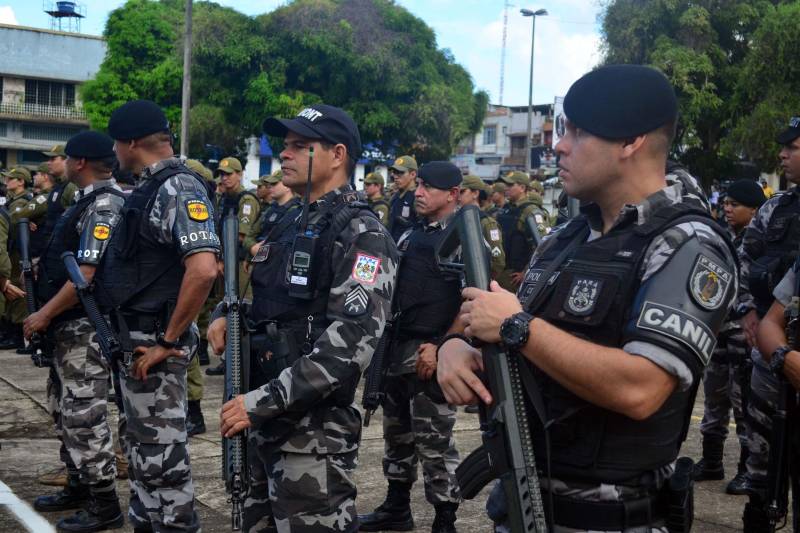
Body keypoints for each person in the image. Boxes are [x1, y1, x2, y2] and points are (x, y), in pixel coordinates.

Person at [437, 64, 737, 531]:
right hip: (522, 504)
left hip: (612, 519)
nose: (559, 145)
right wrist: (457, 348)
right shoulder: (566, 239)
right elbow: (500, 319)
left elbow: (641, 390)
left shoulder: (687, 244)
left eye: (577, 132)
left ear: (630, 141)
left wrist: (517, 327)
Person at [211, 103, 398, 532]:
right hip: (261, 418)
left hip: (311, 437)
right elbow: (264, 295)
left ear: (337, 155)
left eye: (300, 145)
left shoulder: (362, 233)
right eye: (285, 145)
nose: (285, 154)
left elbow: (349, 345)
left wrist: (259, 403)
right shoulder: (293, 219)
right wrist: (225, 314)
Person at [95, 99, 219, 532]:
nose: (114, 153)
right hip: (137, 343)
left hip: (156, 346)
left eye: (116, 144)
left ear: (130, 142)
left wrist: (169, 341)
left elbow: (203, 269)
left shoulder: (177, 187)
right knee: (145, 456)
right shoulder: (151, 187)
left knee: (164, 464)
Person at [25, 131, 127, 532]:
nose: (63, 165)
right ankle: (80, 485)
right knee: (64, 411)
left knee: (84, 415)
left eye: (67, 159)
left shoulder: (105, 205)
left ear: (80, 161)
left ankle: (104, 504)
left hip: (85, 328)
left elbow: (86, 275)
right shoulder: (83, 201)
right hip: (68, 330)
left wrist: (43, 315)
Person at [358, 162, 463, 533]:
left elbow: (473, 303)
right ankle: (397, 508)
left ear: (452, 194)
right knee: (397, 434)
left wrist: (442, 345)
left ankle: (445, 518)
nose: (419, 192)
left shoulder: (462, 239)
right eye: (419, 185)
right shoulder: (408, 236)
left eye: (429, 187)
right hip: (398, 348)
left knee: (434, 441)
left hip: (431, 353)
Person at [737, 115, 800, 529]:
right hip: (770, 348)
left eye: (792, 147)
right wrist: (748, 312)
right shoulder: (775, 209)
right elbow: (742, 262)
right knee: (761, 460)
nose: (782, 154)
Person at [692, 180, 765, 495]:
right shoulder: (725, 237)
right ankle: (711, 462)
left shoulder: (760, 241)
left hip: (743, 334)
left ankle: (749, 470)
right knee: (714, 396)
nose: (728, 208)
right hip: (718, 330)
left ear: (754, 209)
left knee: (744, 403)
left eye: (736, 204)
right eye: (726, 203)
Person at [204, 157, 261, 376]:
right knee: (225, 308)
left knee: (239, 308)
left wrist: (222, 260)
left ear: (240, 175)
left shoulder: (246, 200)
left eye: (229, 174)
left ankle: (240, 359)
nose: (224, 178)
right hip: (225, 260)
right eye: (222, 174)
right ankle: (229, 358)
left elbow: (239, 235)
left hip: (237, 262)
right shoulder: (226, 199)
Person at [495, 171, 550, 291]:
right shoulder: (506, 209)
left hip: (514, 275)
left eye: (510, 185)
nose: (506, 188)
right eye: (506, 185)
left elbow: (543, 245)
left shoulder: (530, 211)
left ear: (522, 187)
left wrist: (526, 272)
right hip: (501, 272)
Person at [1, 167, 34, 351]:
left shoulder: (24, 201)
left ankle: (17, 335)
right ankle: (9, 332)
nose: (7, 181)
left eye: (11, 178)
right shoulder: (13, 201)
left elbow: (15, 223)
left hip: (19, 252)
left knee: (19, 292)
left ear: (21, 181)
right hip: (11, 251)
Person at [243, 169, 300, 259]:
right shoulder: (270, 210)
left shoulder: (296, 211)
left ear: (287, 186)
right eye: (269, 184)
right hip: (261, 262)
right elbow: (248, 237)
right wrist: (253, 248)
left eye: (274, 184)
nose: (269, 187)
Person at [459, 175, 505, 278]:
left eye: (462, 192)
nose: (458, 196)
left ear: (475, 193)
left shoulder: (487, 223)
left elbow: (498, 261)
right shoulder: (458, 218)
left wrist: (484, 281)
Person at [388, 155, 419, 241]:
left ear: (412, 174)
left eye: (400, 172)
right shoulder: (396, 195)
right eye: (394, 172)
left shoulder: (417, 198)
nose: (395, 176)